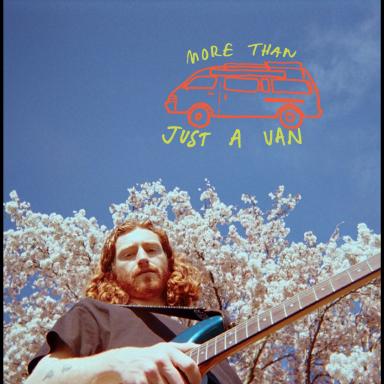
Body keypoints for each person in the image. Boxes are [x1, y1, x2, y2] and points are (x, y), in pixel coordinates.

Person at [26, 220, 242, 384]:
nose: (142, 258)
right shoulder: (95, 314)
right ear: (112, 273)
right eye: (128, 254)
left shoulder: (209, 340)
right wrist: (117, 363)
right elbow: (39, 379)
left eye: (151, 249)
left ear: (169, 263)